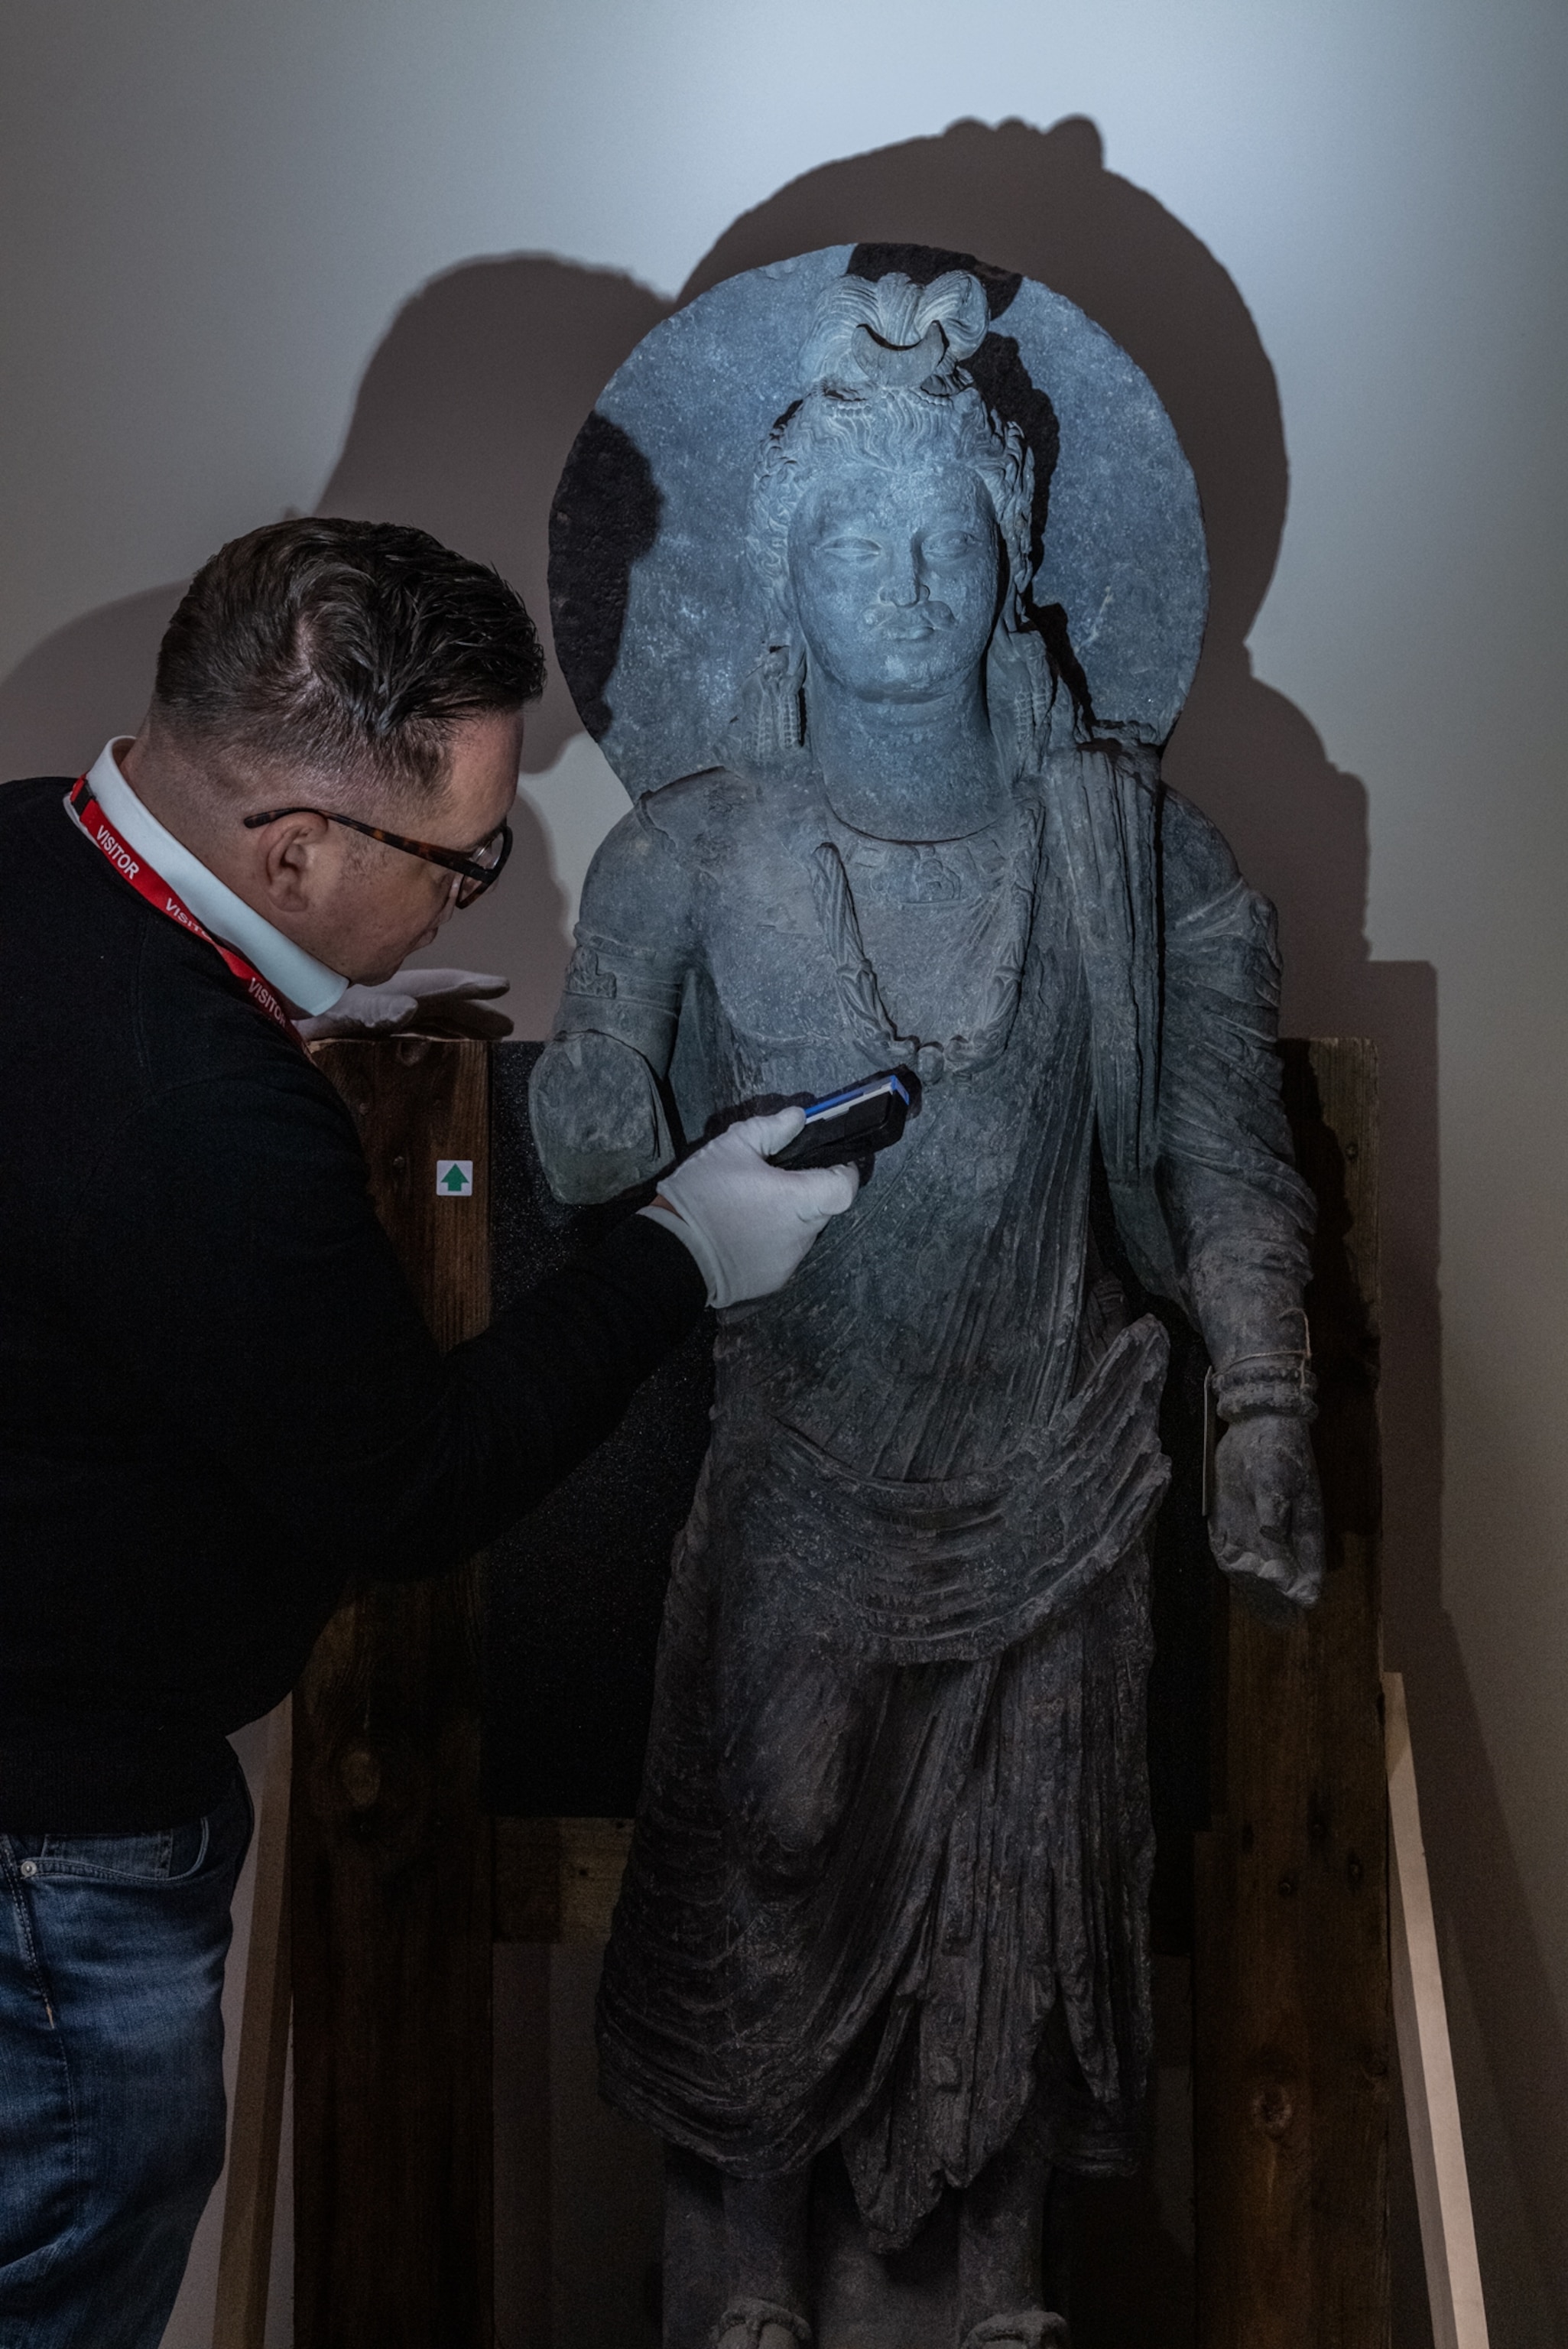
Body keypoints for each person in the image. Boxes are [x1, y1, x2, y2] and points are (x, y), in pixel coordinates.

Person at [530, 267, 1322, 2349]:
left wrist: (1263, 1400)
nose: (900, 581)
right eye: (849, 540)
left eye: (944, 536)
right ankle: (737, 2273)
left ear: (1012, 564)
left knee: (1019, 1895)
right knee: (766, 1847)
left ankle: (987, 2281)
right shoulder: (688, 854)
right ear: (775, 574)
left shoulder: (1130, 859)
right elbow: (591, 1138)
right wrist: (591, 1106)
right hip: (796, 1459)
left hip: (1052, 1454)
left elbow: (1230, 1158)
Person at [0, 516, 857, 2348]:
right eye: (464, 867)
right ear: (294, 846)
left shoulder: (30, 853)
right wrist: (681, 1250)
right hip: (49, 1873)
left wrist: (281, 1004)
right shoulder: (201, 1117)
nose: (475, 889)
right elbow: (409, 1480)